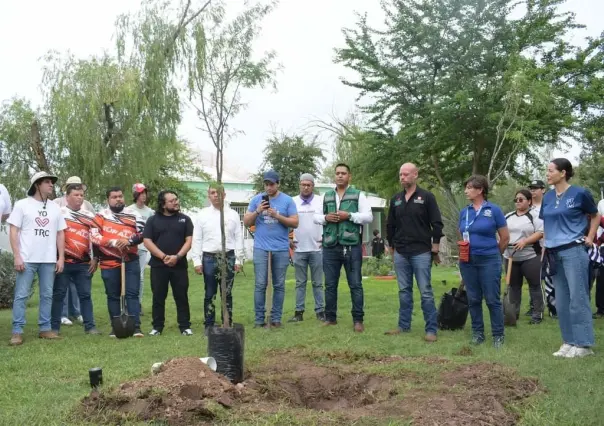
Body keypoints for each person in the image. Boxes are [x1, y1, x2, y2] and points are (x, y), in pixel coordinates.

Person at [541, 158, 600, 358]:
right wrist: (544, 250)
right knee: (562, 300)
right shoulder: (547, 197)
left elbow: (595, 216)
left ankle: (584, 345)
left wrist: (590, 237)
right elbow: (546, 226)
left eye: (550, 171)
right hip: (553, 252)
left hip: (574, 250)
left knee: (578, 298)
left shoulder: (580, 193)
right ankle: (569, 341)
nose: (547, 174)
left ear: (563, 172)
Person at [385, 163, 443, 342]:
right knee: (404, 290)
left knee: (425, 291)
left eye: (406, 174)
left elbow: (437, 223)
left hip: (421, 251)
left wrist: (435, 247)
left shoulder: (426, 197)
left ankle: (431, 329)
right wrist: (392, 247)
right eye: (400, 174)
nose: (402, 177)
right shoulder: (396, 199)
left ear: (415, 175)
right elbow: (390, 225)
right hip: (401, 251)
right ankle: (403, 326)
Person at [7, 172, 67, 345]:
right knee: (21, 295)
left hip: (48, 259)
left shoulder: (55, 208)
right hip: (27, 258)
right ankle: (17, 331)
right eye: (47, 182)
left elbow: (60, 233)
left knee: (47, 295)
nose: (51, 185)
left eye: (51, 182)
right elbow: (13, 231)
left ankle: (45, 329)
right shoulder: (22, 205)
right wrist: (17, 256)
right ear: (37, 185)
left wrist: (60, 257)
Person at [315, 163, 373, 332]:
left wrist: (350, 216)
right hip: (330, 245)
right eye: (337, 173)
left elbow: (368, 217)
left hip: (352, 245)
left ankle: (358, 320)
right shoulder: (326, 196)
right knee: (330, 285)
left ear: (349, 176)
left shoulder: (358, 195)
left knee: (355, 284)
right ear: (335, 176)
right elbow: (316, 217)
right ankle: (330, 318)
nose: (340, 176)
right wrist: (326, 217)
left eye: (343, 173)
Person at [458, 175, 509, 348]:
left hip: (489, 259)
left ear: (480, 190)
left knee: (492, 299)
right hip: (468, 260)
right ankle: (478, 333)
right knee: (473, 298)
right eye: (466, 187)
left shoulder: (493, 210)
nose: (466, 191)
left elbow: (505, 238)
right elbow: (462, 235)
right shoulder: (465, 212)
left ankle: (498, 335)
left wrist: (494, 254)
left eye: (469, 187)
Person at [243, 170, 298, 328]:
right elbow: (246, 222)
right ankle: (259, 319)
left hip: (280, 248)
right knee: (260, 284)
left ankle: (275, 319)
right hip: (261, 248)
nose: (268, 187)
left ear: (278, 184)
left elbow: (295, 223)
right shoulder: (256, 200)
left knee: (279, 284)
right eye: (266, 184)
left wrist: (277, 216)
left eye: (272, 184)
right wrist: (258, 211)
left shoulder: (287, 201)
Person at [91, 187, 145, 338]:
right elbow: (94, 237)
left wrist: (128, 241)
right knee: (113, 295)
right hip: (108, 261)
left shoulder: (134, 214)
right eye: (114, 197)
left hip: (130, 260)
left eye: (120, 196)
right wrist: (114, 242)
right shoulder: (100, 216)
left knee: (132, 294)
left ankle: (136, 328)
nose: (118, 199)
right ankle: (116, 328)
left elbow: (142, 234)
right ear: (108, 200)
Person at [191, 184, 244, 334]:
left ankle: (227, 321)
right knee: (210, 292)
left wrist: (239, 259)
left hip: (228, 256)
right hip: (209, 257)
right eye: (212, 193)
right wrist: (196, 261)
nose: (216, 195)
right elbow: (197, 239)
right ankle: (209, 324)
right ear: (208, 196)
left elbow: (238, 237)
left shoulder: (233, 214)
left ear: (224, 195)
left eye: (218, 192)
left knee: (227, 292)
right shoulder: (202, 215)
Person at [50, 183, 101, 335]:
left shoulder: (90, 216)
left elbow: (96, 238)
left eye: (81, 195)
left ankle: (90, 326)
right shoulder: (59, 212)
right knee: (58, 294)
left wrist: (96, 258)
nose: (79, 198)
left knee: (85, 295)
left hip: (84, 263)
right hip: (63, 261)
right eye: (76, 195)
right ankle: (54, 327)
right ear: (67, 197)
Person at [143, 190, 194, 336]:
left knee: (181, 296)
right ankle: (157, 327)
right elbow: (147, 241)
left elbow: (189, 241)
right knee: (158, 296)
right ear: (163, 204)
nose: (176, 202)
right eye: (172, 201)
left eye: (176, 199)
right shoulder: (153, 220)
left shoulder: (185, 219)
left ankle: (185, 326)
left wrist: (177, 257)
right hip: (159, 266)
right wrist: (163, 257)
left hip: (180, 265)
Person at [288, 174, 325, 323]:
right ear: (299, 185)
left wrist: (326, 238)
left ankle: (320, 312)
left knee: (318, 282)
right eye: (303, 184)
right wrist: (287, 238)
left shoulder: (320, 201)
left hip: (317, 248)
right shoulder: (292, 201)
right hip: (299, 248)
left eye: (308, 184)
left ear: (313, 186)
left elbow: (327, 219)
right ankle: (299, 313)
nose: (305, 187)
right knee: (300, 283)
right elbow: (286, 221)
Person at [504, 189, 544, 325]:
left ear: (529, 201)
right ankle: (513, 314)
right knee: (514, 287)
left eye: (521, 199)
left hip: (530, 256)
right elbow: (501, 231)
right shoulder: (508, 216)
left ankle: (537, 314)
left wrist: (525, 241)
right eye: (516, 200)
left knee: (534, 285)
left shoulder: (535, 216)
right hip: (511, 257)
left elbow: (540, 232)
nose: (518, 202)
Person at [128, 183, 154, 315]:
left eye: (145, 193)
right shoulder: (128, 210)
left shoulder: (149, 212)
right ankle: (128, 302)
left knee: (141, 276)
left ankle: (138, 303)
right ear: (135, 195)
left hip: (143, 248)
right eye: (141, 193)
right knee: (129, 275)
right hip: (130, 247)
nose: (143, 196)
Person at [526, 179, 546, 317]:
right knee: (533, 279)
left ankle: (551, 306)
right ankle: (534, 305)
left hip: (548, 245)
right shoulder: (527, 207)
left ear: (543, 190)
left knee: (548, 278)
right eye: (531, 188)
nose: (533, 190)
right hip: (533, 247)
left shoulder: (547, 205)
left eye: (536, 188)